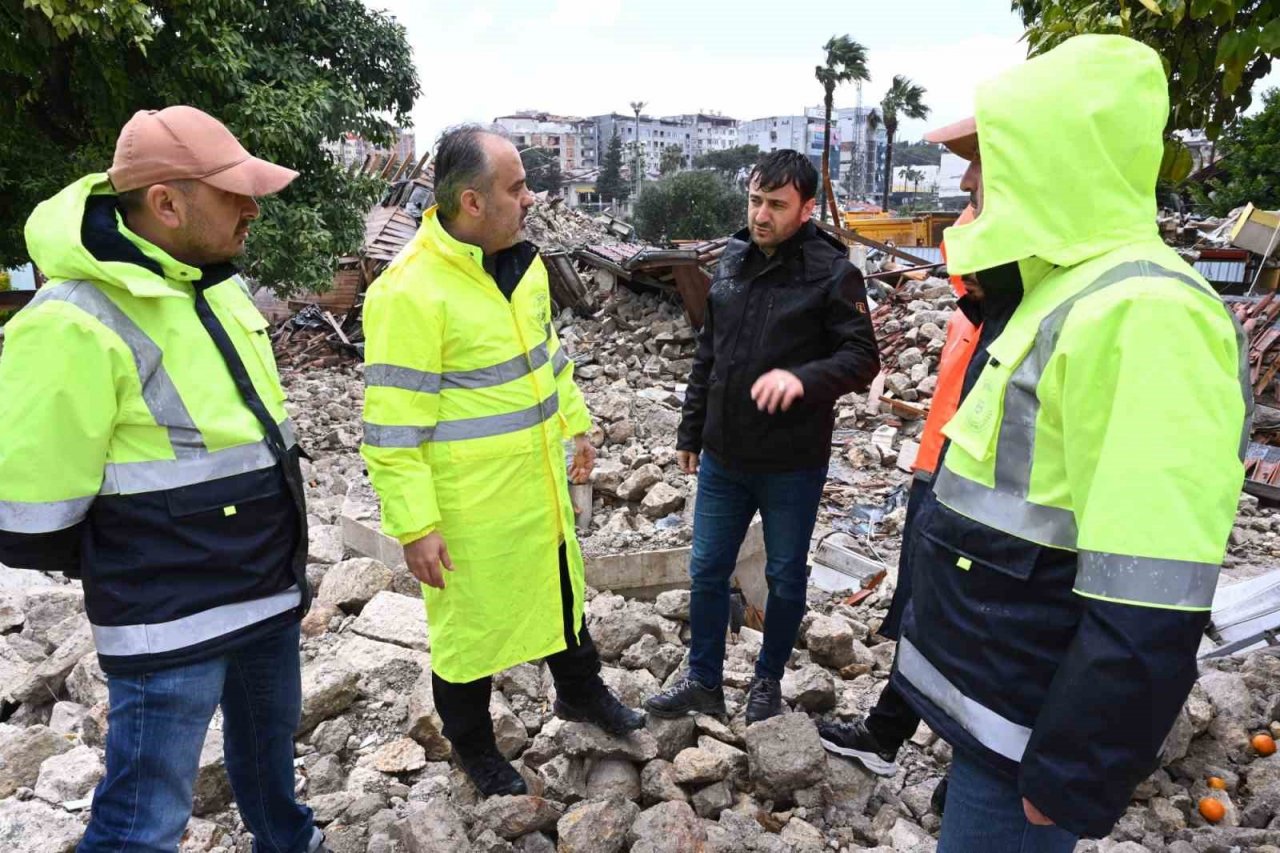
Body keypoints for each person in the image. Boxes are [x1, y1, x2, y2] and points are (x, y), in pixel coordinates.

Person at [886, 35, 1251, 851]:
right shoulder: (1071, 290)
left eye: (994, 155)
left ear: (1056, 158)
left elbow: (1151, 585)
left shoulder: (1146, 314)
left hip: (1029, 744)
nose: (971, 179)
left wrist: (1072, 773)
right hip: (1000, 713)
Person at [0, 106, 321, 852]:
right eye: (233, 192)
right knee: (143, 820)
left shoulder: (217, 287)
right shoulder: (73, 317)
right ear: (167, 203)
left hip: (265, 591)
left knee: (273, 774)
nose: (252, 208)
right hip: (172, 616)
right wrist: (155, 547)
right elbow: (34, 516)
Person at [360, 125, 644, 798]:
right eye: (516, 188)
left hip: (537, 485)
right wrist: (414, 525)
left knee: (561, 593)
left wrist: (576, 428)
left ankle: (580, 692)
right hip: (470, 507)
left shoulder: (524, 267)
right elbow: (391, 429)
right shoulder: (410, 291)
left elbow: (548, 360)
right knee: (468, 636)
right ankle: (475, 748)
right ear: (471, 203)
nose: (531, 198)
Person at [646, 150, 880, 724]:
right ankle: (703, 679)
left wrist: (801, 378)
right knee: (705, 569)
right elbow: (711, 349)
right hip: (725, 454)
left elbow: (862, 358)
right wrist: (691, 426)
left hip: (791, 462)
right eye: (755, 201)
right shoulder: (733, 258)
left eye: (776, 205)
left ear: (804, 209)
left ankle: (767, 682)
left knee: (783, 574)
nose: (761, 215)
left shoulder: (833, 272)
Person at [817, 206, 980, 782]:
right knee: (920, 611)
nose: (965, 215)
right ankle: (890, 733)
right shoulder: (976, 302)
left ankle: (971, 769)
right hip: (936, 468)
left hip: (975, 486)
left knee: (962, 619)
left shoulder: (1023, 308)